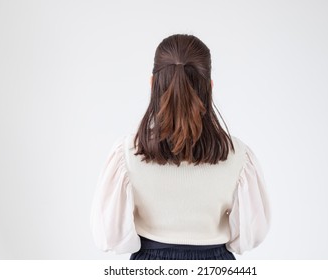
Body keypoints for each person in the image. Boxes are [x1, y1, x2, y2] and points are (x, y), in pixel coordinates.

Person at [90, 34, 271, 260]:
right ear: (210, 86)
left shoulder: (127, 153)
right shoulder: (238, 155)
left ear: (153, 83)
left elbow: (110, 237)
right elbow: (250, 235)